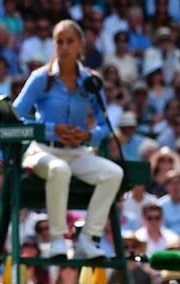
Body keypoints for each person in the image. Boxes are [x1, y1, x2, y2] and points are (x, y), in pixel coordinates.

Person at [14, 19, 124, 261]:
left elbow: (105, 125)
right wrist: (52, 129)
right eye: (59, 42)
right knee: (59, 170)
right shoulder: (41, 77)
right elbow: (14, 116)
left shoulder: (91, 80)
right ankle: (57, 240)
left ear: (81, 45)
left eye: (69, 42)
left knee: (114, 174)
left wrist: (88, 135)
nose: (64, 47)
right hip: (42, 151)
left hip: (79, 151)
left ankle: (87, 239)